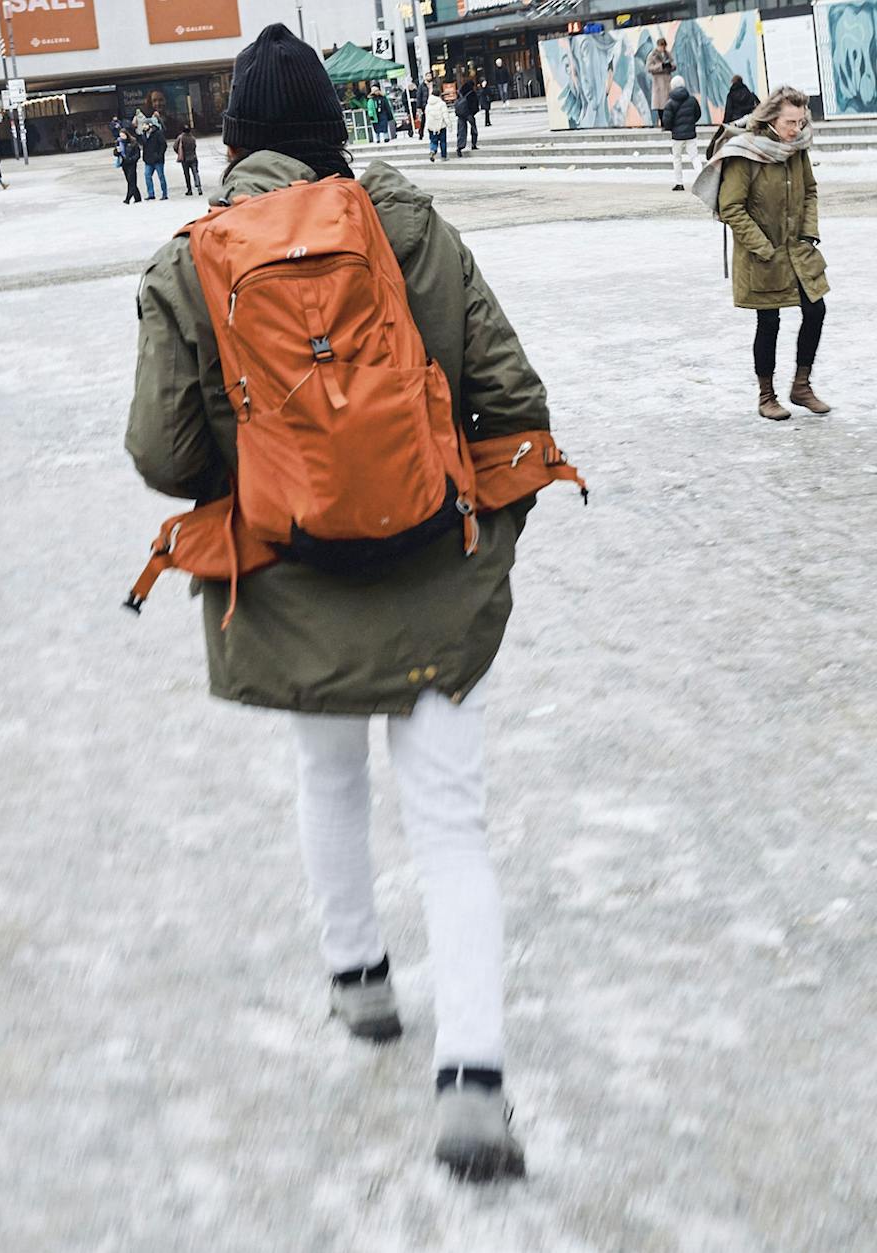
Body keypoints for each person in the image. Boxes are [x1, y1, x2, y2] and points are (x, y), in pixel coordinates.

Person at [126, 21, 568, 1184]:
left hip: (287, 581)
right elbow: (509, 394)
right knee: (451, 827)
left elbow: (165, 456)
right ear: (333, 132)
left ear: (234, 145)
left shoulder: (190, 260)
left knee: (326, 777)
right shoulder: (409, 228)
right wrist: (478, 541)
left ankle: (359, 978)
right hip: (432, 570)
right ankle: (473, 1079)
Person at [696, 85, 830, 420]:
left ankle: (801, 385)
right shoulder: (747, 152)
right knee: (768, 321)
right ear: (770, 117)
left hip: (797, 249)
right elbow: (731, 207)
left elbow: (810, 191)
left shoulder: (797, 149)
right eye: (789, 122)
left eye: (800, 121)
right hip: (762, 253)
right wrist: (762, 247)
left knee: (816, 310)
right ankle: (766, 396)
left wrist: (808, 233)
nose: (795, 129)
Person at [662, 75, 701, 192]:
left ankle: (679, 183)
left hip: (677, 136)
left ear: (672, 87)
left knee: (677, 158)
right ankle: (702, 179)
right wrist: (690, 123)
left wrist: (671, 128)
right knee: (694, 157)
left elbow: (667, 121)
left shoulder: (670, 103)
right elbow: (698, 114)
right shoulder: (692, 100)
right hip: (690, 134)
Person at [647, 38, 675, 126]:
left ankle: (669, 122)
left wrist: (670, 66)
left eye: (664, 46)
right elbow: (649, 68)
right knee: (660, 105)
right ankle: (663, 122)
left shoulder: (668, 54)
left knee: (668, 103)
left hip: (667, 81)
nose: (663, 48)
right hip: (658, 82)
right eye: (661, 46)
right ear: (658, 45)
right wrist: (661, 66)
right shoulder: (652, 55)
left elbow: (674, 64)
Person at [140, 122, 169, 200]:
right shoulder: (144, 135)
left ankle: (164, 194)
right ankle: (151, 194)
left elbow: (163, 145)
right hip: (148, 160)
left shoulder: (158, 133)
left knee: (161, 176)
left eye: (145, 125)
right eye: (143, 125)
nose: (144, 127)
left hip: (158, 160)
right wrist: (144, 157)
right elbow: (144, 146)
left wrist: (159, 155)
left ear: (150, 125)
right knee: (147, 175)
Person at [423, 86, 451, 162]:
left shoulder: (428, 105)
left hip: (431, 126)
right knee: (443, 141)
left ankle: (433, 150)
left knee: (433, 141)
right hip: (441, 126)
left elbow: (426, 116)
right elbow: (445, 115)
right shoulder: (441, 104)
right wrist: (449, 125)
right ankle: (443, 156)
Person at [454, 75, 480, 154]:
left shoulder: (460, 92)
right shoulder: (472, 93)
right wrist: (473, 112)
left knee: (461, 130)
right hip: (469, 114)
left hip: (461, 114)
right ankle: (473, 144)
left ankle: (460, 146)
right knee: (473, 128)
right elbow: (475, 105)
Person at [118, 129, 142, 203]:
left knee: (131, 181)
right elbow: (116, 153)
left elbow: (137, 154)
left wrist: (131, 159)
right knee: (130, 181)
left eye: (123, 135)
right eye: (121, 136)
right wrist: (116, 152)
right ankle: (137, 197)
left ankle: (127, 198)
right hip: (124, 164)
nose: (122, 137)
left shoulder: (133, 142)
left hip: (131, 164)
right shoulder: (119, 142)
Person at [177, 126, 202, 195]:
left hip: (185, 159)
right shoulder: (193, 138)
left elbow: (175, 146)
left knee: (187, 175)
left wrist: (179, 152)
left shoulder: (180, 138)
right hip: (193, 157)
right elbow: (194, 146)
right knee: (195, 173)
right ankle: (199, 188)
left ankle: (189, 190)